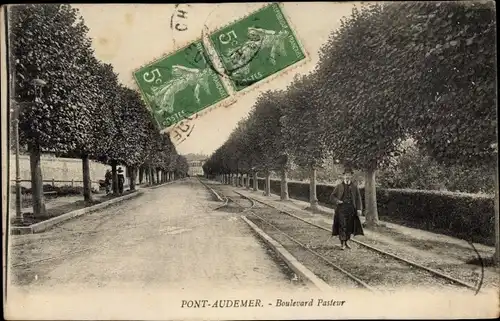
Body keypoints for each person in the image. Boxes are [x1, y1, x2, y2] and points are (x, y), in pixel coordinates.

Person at [329, 169, 364, 250]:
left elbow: (358, 199)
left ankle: (347, 241)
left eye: (349, 175)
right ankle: (342, 243)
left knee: (349, 226)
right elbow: (332, 197)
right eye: (346, 175)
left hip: (351, 209)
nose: (347, 176)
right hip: (341, 209)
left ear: (351, 176)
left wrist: (359, 209)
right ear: (343, 176)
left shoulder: (354, 187)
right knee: (342, 225)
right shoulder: (339, 186)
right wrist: (337, 201)